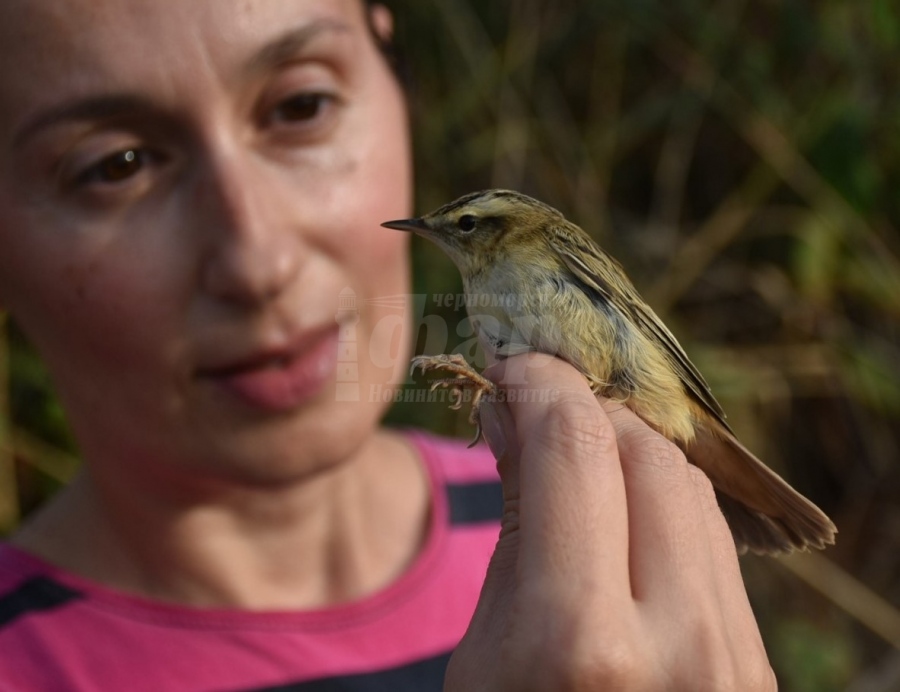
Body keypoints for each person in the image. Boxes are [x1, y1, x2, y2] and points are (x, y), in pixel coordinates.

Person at [0, 0, 776, 689]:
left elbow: (630, 331)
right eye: (117, 164)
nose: (258, 262)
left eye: (301, 105)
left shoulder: (585, 537)